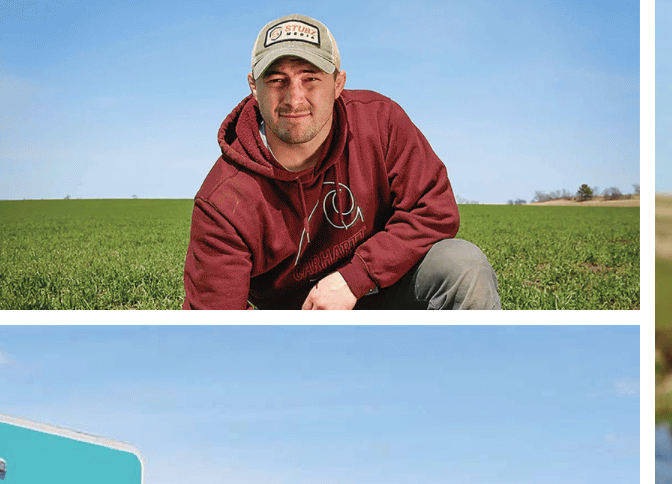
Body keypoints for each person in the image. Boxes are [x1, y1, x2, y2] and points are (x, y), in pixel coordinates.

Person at [183, 14, 501, 310]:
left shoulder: (380, 122)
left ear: (338, 84)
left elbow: (434, 210)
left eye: (311, 79)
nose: (295, 99)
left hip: (386, 287)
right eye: (277, 80)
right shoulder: (224, 202)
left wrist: (355, 277)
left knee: (461, 264)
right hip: (300, 325)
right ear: (254, 87)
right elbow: (213, 321)